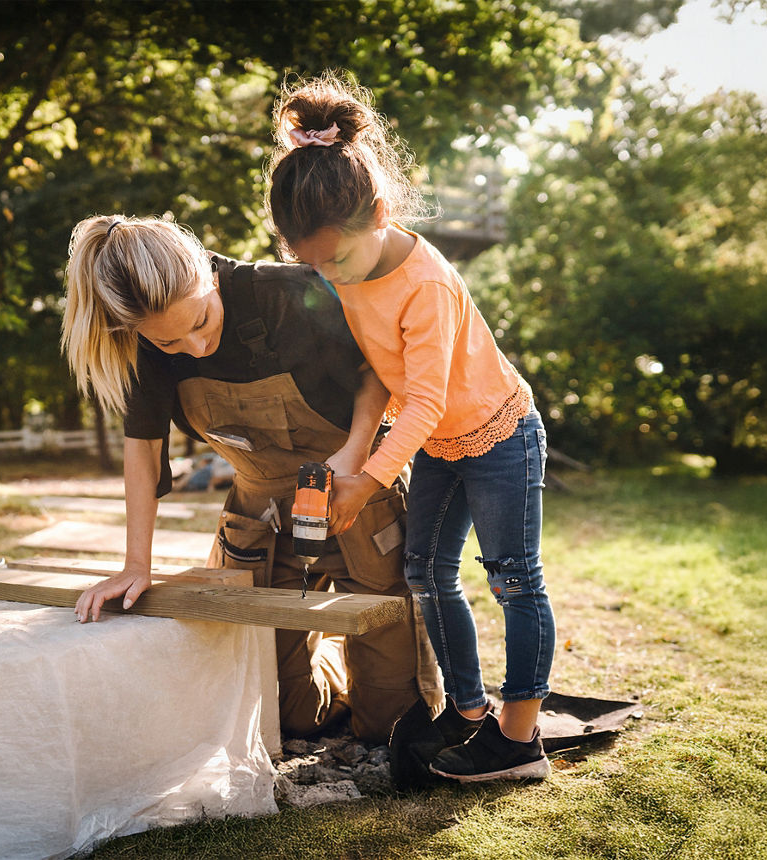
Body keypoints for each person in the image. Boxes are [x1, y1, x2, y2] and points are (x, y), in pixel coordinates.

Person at [265, 71, 556, 784]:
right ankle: (467, 711)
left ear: (380, 213)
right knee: (424, 572)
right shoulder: (345, 270)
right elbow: (376, 375)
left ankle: (519, 741)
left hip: (499, 434)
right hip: (439, 445)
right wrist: (353, 452)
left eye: (334, 258)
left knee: (514, 580)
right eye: (309, 262)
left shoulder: (424, 284)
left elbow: (423, 401)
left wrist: (366, 483)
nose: (326, 275)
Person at [60, 215, 442, 745]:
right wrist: (135, 565)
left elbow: (370, 372)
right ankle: (335, 660)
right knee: (280, 712)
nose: (195, 347)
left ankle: (370, 671)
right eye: (170, 343)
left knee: (394, 723)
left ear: (208, 275)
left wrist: (354, 459)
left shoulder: (287, 293)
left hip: (356, 497)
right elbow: (143, 448)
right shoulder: (144, 342)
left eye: (201, 321)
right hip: (259, 519)